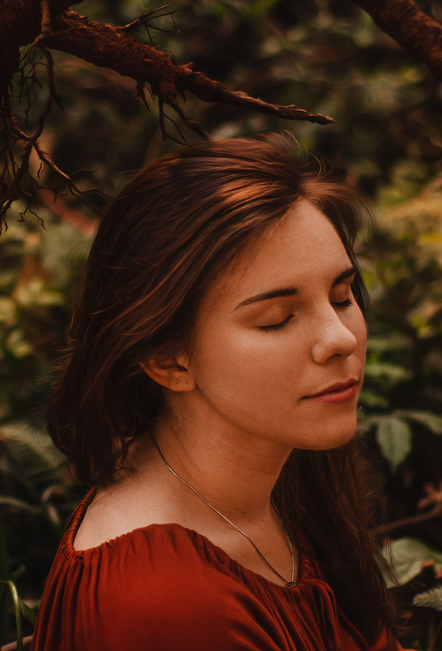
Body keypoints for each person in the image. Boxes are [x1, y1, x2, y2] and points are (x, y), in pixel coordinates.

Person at [30, 134, 403, 650]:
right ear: (168, 359)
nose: (340, 339)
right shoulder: (167, 603)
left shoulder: (288, 469)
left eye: (342, 296)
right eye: (277, 319)